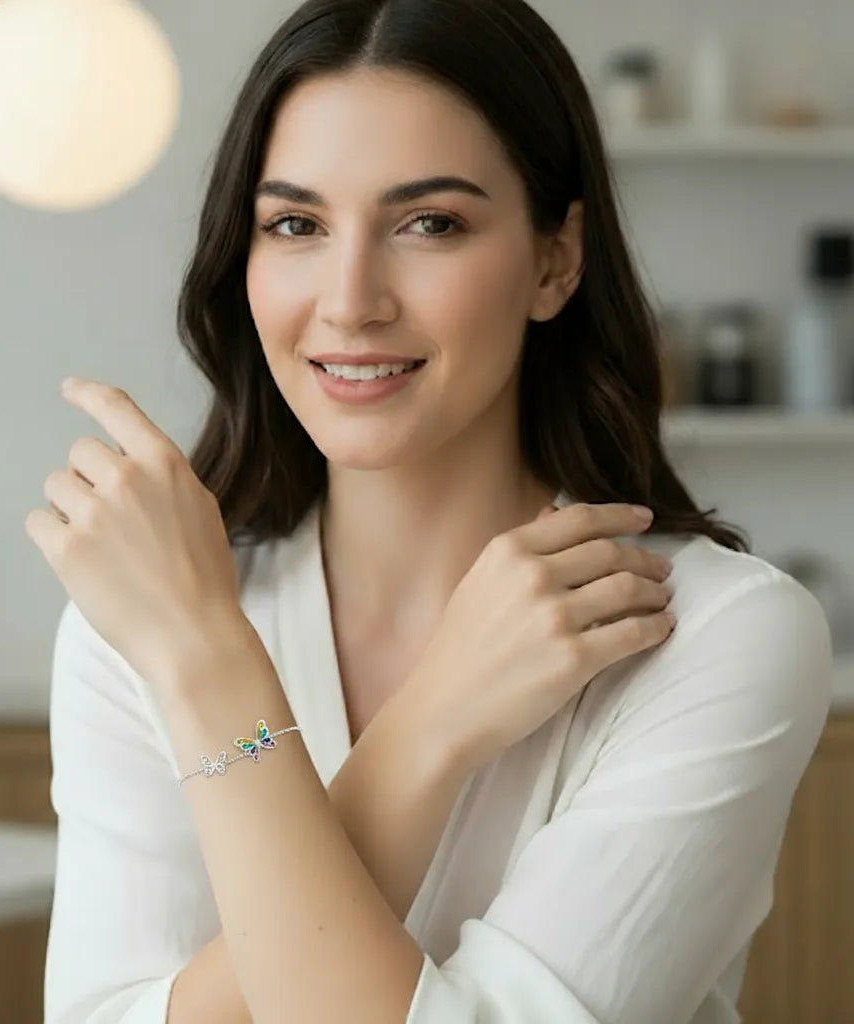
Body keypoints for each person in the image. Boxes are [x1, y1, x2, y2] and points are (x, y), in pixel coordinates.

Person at [41, 1, 833, 1021]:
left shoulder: (716, 633)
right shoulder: (151, 624)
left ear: (555, 259)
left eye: (430, 224)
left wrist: (209, 671)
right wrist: (424, 730)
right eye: (296, 225)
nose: (350, 300)